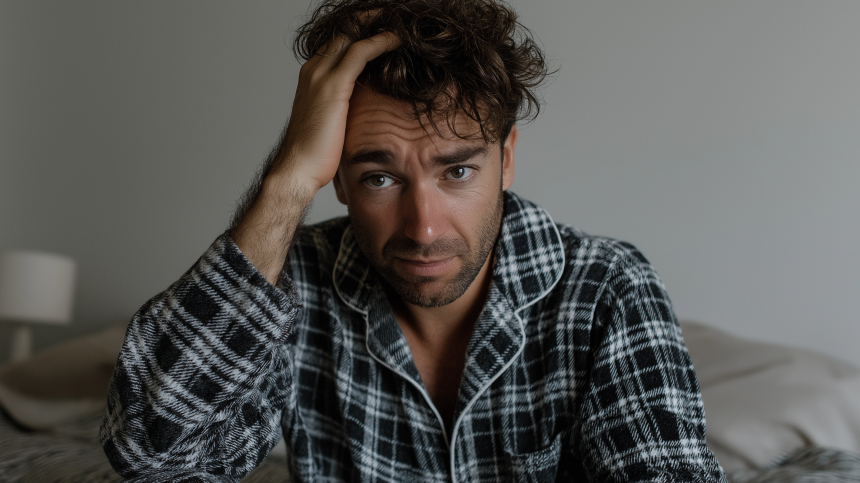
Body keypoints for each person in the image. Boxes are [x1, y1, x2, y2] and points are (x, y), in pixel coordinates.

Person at [100, 0, 727, 481]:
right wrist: (287, 178)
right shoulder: (292, 285)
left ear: (506, 159)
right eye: (379, 177)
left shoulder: (606, 288)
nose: (423, 229)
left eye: (458, 172)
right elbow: (155, 459)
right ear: (336, 178)